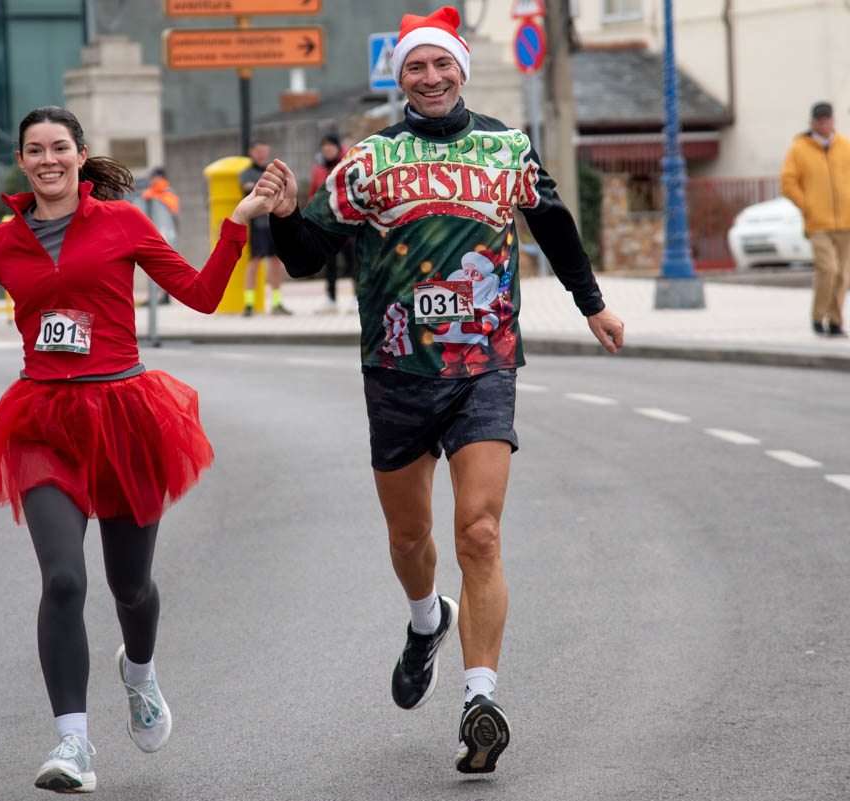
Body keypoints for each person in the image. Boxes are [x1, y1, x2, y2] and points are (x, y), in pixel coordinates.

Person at [257, 7, 624, 775]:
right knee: (408, 537)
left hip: (484, 364)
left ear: (462, 70)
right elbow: (309, 255)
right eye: (416, 67)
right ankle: (426, 619)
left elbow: (554, 224)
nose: (431, 78)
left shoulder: (506, 147)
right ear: (401, 77)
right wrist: (288, 217)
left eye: (442, 64)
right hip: (396, 370)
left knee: (480, 532)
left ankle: (478, 700)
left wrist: (592, 305)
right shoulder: (369, 161)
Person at [0, 106, 279, 794]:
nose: (48, 160)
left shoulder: (123, 223)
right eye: (35, 150)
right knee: (64, 580)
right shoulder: (0, 243)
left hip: (124, 414)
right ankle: (73, 741)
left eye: (59, 148)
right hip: (43, 421)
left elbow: (202, 295)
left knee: (132, 586)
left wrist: (237, 223)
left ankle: (140, 672)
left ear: (79, 154)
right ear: (21, 161)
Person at [781, 101, 850, 337]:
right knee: (828, 269)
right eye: (819, 120)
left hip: (846, 221)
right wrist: (807, 206)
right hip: (818, 222)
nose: (824, 124)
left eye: (827, 119)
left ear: (833, 121)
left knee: (842, 274)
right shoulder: (799, 149)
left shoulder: (845, 146)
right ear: (812, 122)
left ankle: (835, 321)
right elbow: (788, 182)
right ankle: (818, 317)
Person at [239, 141, 291, 316]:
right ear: (251, 152)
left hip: (274, 222)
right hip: (256, 224)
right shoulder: (246, 173)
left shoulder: (273, 172)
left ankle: (276, 302)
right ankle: (248, 304)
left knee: (276, 262)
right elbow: (248, 188)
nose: (262, 154)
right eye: (258, 151)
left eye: (264, 151)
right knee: (254, 262)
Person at [308, 133, 356, 314]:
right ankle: (330, 299)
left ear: (337, 147)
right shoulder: (318, 168)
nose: (327, 149)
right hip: (326, 225)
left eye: (331, 146)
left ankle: (356, 297)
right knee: (330, 263)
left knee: (353, 262)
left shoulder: (348, 164)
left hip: (346, 222)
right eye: (324, 146)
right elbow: (313, 193)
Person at [141, 166, 180, 305]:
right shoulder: (149, 193)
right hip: (154, 234)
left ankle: (164, 295)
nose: (151, 180)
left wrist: (154, 198)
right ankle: (158, 296)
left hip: (166, 234)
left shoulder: (167, 193)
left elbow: (172, 209)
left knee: (165, 266)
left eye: (154, 177)